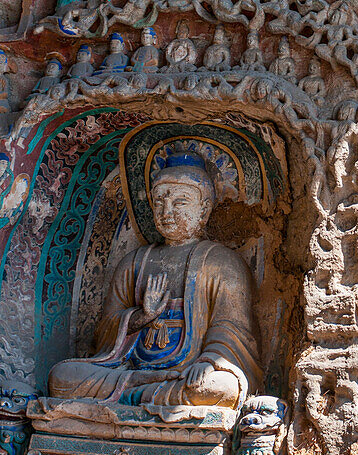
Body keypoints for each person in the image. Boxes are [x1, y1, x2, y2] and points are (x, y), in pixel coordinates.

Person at [48, 149, 261, 408]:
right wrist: (141, 317)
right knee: (61, 377)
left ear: (204, 209)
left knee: (218, 388)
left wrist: (209, 361)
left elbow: (233, 330)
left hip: (186, 373)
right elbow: (104, 333)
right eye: (159, 202)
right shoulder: (134, 262)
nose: (166, 212)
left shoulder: (222, 262)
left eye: (180, 202)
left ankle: (132, 396)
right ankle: (142, 386)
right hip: (130, 368)